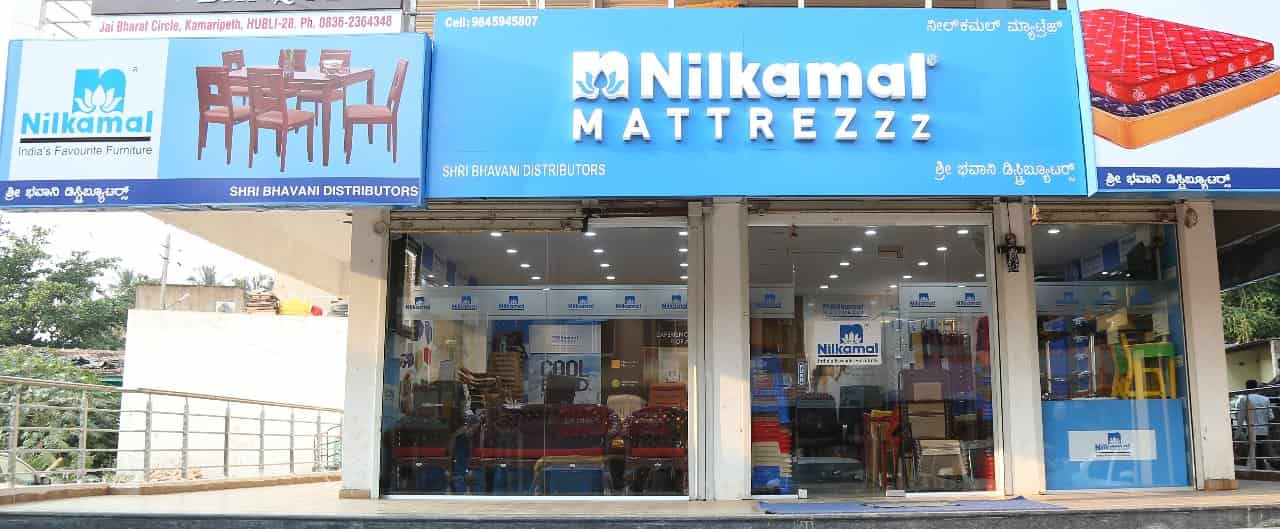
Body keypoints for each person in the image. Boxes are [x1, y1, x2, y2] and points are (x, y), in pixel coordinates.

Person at [1237, 380, 1276, 470]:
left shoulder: (1244, 399)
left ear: (1246, 388)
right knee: (1261, 456)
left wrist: (1237, 434)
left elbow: (1240, 417)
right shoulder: (1265, 399)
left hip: (1251, 432)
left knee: (1253, 455)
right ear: (1257, 387)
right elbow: (1271, 417)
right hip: (1264, 432)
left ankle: (1257, 472)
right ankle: (1262, 472)